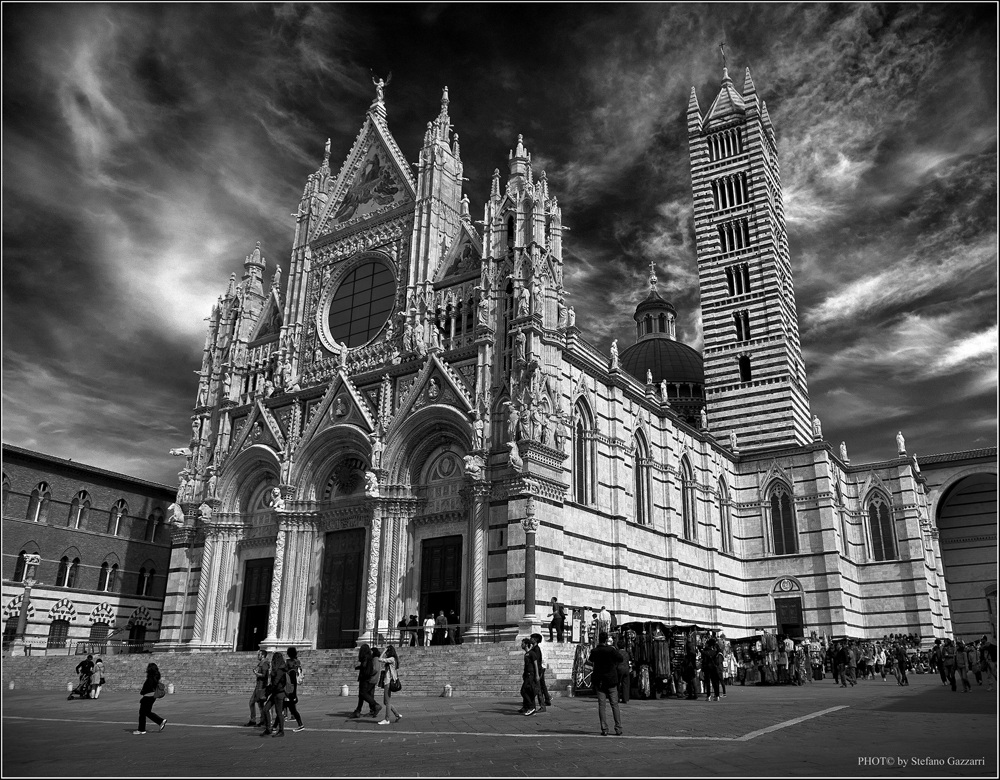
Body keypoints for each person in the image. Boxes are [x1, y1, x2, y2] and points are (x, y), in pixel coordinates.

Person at [588, 631, 623, 735]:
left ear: (599, 639)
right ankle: (618, 728)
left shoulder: (595, 651)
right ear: (606, 639)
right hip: (611, 680)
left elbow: (590, 660)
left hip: (599, 681)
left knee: (602, 705)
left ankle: (604, 729)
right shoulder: (611, 650)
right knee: (614, 704)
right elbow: (620, 658)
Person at [350, 644, 381, 719]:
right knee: (362, 695)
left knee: (363, 694)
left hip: (365, 678)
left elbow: (370, 668)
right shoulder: (369, 658)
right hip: (366, 678)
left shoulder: (367, 658)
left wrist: (366, 671)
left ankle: (375, 705)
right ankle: (358, 711)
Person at [261, 652, 288, 737]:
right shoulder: (279, 669)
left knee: (279, 712)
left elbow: (275, 682)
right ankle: (268, 728)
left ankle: (281, 731)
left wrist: (267, 691)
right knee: (265, 709)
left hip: (279, 693)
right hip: (275, 692)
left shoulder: (280, 670)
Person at [134, 662, 165, 735]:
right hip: (152, 697)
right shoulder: (156, 677)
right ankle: (160, 721)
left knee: (143, 713)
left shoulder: (150, 678)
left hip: (147, 697)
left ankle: (141, 729)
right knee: (146, 712)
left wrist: (142, 692)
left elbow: (147, 688)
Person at [377, 645, 403, 725]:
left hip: (388, 682)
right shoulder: (393, 659)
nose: (386, 653)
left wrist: (384, 651)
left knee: (387, 702)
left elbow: (379, 659)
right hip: (387, 682)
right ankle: (397, 715)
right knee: (386, 702)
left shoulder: (392, 659)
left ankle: (387, 719)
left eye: (387, 652)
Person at [283, 646, 305, 732]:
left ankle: (277, 724)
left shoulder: (288, 663)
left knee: (286, 705)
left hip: (289, 686)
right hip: (293, 686)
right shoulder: (297, 662)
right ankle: (276, 725)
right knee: (290, 706)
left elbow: (285, 672)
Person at [519, 638, 542, 715]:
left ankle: (531, 707)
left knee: (523, 691)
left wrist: (537, 675)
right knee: (528, 691)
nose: (521, 645)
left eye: (522, 643)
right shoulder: (526, 654)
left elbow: (535, 664)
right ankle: (528, 707)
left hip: (530, 675)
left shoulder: (532, 653)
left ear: (526, 644)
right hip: (527, 674)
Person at [247, 649, 269, 726]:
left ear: (262, 655)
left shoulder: (264, 664)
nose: (257, 656)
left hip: (261, 686)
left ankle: (260, 720)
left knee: (257, 703)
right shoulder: (261, 663)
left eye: (259, 654)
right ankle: (258, 719)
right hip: (259, 686)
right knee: (257, 703)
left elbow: (264, 675)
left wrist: (256, 673)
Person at [530, 634, 551, 708]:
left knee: (540, 685)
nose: (530, 639)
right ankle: (547, 698)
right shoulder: (537, 647)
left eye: (532, 638)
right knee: (542, 684)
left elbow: (538, 660)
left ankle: (544, 701)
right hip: (541, 667)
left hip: (540, 668)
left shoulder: (538, 648)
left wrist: (540, 670)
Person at [616, 640, 632, 704]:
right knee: (626, 684)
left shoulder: (617, 652)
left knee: (617, 684)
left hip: (619, 669)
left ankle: (617, 698)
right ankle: (625, 698)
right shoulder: (626, 653)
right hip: (626, 669)